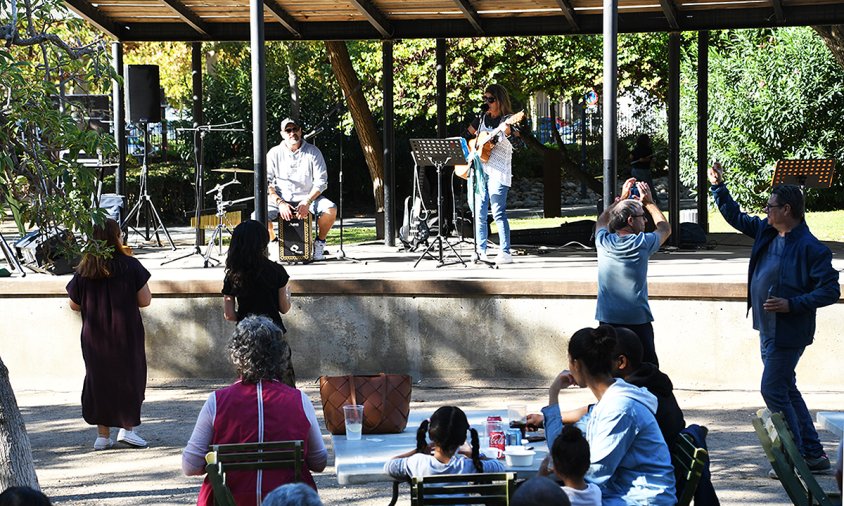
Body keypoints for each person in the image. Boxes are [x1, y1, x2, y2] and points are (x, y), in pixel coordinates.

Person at [709, 163, 840, 473]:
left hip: (789, 332)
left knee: (772, 388)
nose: (765, 210)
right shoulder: (767, 232)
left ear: (787, 209)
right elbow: (737, 218)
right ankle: (814, 454)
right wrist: (719, 188)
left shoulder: (811, 248)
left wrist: (792, 304)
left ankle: (794, 454)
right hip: (766, 329)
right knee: (786, 388)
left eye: (770, 206)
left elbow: (830, 290)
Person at [182, 316, 327, 505]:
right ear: (279, 355)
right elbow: (319, 462)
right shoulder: (299, 400)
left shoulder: (216, 402)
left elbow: (190, 466)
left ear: (237, 355)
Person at [540, 325, 676, 505]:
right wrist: (553, 393)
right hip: (618, 492)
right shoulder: (608, 401)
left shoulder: (620, 408)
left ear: (576, 364)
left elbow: (593, 473)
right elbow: (563, 447)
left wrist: (552, 469)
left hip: (641, 499)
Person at [66, 218, 152, 450]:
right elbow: (145, 300)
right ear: (116, 237)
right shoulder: (130, 265)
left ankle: (102, 436)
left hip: (95, 336)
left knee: (99, 380)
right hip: (126, 334)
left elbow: (73, 304)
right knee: (130, 378)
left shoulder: (85, 269)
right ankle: (128, 429)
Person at [595, 177, 671, 366]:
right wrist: (649, 203)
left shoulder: (603, 242)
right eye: (641, 216)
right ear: (630, 221)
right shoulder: (642, 243)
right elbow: (665, 228)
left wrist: (621, 199)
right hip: (637, 320)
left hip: (607, 320)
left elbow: (602, 220)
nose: (645, 220)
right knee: (647, 369)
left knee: (607, 369)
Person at [222, 220, 295, 386]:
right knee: (283, 380)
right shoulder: (276, 271)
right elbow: (284, 308)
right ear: (264, 242)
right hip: (274, 331)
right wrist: (288, 296)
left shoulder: (233, 275)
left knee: (249, 380)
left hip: (246, 334)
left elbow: (229, 315)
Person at [266, 117, 337, 261]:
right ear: (282, 134)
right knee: (257, 216)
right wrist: (280, 203)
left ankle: (319, 243)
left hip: (308, 198)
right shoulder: (274, 153)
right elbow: (266, 183)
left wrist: (307, 201)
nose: (292, 133)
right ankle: (274, 243)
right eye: (288, 130)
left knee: (331, 209)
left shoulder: (313, 151)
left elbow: (321, 182)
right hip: (281, 199)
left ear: (300, 130)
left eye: (295, 129)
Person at [465, 84, 516, 265]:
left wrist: (505, 129)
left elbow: (514, 135)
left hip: (498, 170)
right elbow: (468, 136)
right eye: (485, 99)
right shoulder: (481, 118)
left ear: (500, 100)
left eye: (491, 99)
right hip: (480, 169)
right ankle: (481, 250)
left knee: (497, 211)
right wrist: (475, 144)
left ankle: (505, 251)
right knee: (478, 211)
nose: (487, 102)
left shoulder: (508, 119)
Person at [384, 405, 505, 480]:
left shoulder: (417, 462)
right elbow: (499, 466)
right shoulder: (467, 465)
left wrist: (418, 450)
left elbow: (389, 465)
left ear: (431, 435)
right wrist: (473, 454)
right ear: (462, 439)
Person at [546, 425, 601, 506]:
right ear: (588, 464)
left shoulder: (556, 497)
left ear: (555, 467)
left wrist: (540, 475)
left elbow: (531, 495)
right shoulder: (596, 491)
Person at [629, 134, 657, 205]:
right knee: (647, 185)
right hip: (644, 170)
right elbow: (650, 160)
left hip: (635, 169)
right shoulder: (648, 149)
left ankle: (634, 199)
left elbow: (631, 157)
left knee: (636, 185)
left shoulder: (636, 149)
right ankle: (652, 199)